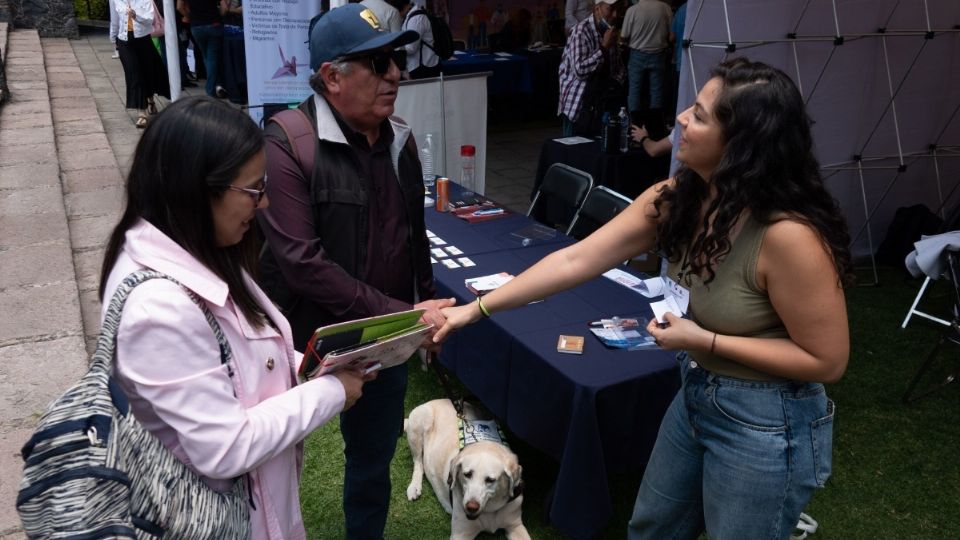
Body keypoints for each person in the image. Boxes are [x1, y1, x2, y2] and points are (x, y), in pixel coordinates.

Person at [435, 58, 853, 540]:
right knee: (652, 529)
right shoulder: (678, 196)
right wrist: (476, 309)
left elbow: (826, 360)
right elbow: (575, 261)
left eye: (698, 114)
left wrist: (705, 340)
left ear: (740, 145)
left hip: (767, 422)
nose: (680, 119)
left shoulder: (788, 236)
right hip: (696, 393)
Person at [98, 96, 367, 539]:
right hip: (217, 519)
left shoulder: (196, 248)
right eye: (253, 190)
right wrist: (331, 391)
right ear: (198, 189)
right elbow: (225, 448)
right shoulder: (158, 310)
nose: (263, 206)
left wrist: (315, 364)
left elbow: (236, 360)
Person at [256, 4, 455, 538]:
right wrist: (405, 316)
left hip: (383, 339)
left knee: (371, 465)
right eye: (379, 62)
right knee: (271, 465)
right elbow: (302, 264)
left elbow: (416, 240)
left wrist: (426, 311)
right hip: (300, 343)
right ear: (332, 77)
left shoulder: (400, 140)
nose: (397, 73)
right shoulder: (286, 142)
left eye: (396, 58)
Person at [557, 0, 625, 136]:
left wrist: (615, 83)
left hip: (602, 104)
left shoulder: (609, 31)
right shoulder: (580, 31)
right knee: (573, 153)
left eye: (618, 9)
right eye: (610, 9)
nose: (615, 14)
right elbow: (579, 70)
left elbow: (618, 67)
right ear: (596, 9)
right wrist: (604, 48)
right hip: (579, 105)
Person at [114, 0, 171, 128]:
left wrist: (135, 16)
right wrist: (113, 39)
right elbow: (115, 20)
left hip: (142, 40)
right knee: (134, 74)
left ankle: (151, 101)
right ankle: (142, 113)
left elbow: (149, 20)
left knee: (147, 71)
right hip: (124, 41)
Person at [619, 0, 672, 121]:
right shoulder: (665, 8)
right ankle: (655, 122)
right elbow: (671, 35)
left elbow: (624, 36)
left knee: (634, 90)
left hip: (637, 54)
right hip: (658, 54)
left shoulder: (632, 10)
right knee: (656, 90)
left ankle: (634, 123)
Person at [179, 0, 227, 98]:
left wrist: (190, 17)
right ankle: (210, 88)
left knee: (207, 57)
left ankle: (217, 85)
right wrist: (219, 15)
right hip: (214, 24)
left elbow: (179, 7)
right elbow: (225, 8)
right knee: (212, 58)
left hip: (196, 27)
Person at [402, 0, 441, 79]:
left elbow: (411, 48)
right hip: (422, 65)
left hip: (423, 67)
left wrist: (395, 47)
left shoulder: (416, 19)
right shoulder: (414, 15)